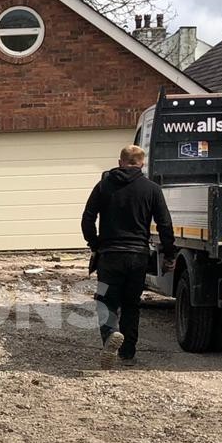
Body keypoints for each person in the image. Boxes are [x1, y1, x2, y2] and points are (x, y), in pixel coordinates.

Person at [81, 144, 176, 367]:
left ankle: (111, 335)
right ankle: (127, 353)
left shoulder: (103, 186)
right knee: (132, 304)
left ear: (120, 162)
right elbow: (165, 225)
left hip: (109, 255)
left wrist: (95, 244)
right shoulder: (152, 189)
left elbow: (87, 219)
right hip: (138, 256)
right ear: (142, 163)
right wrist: (169, 254)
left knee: (106, 302)